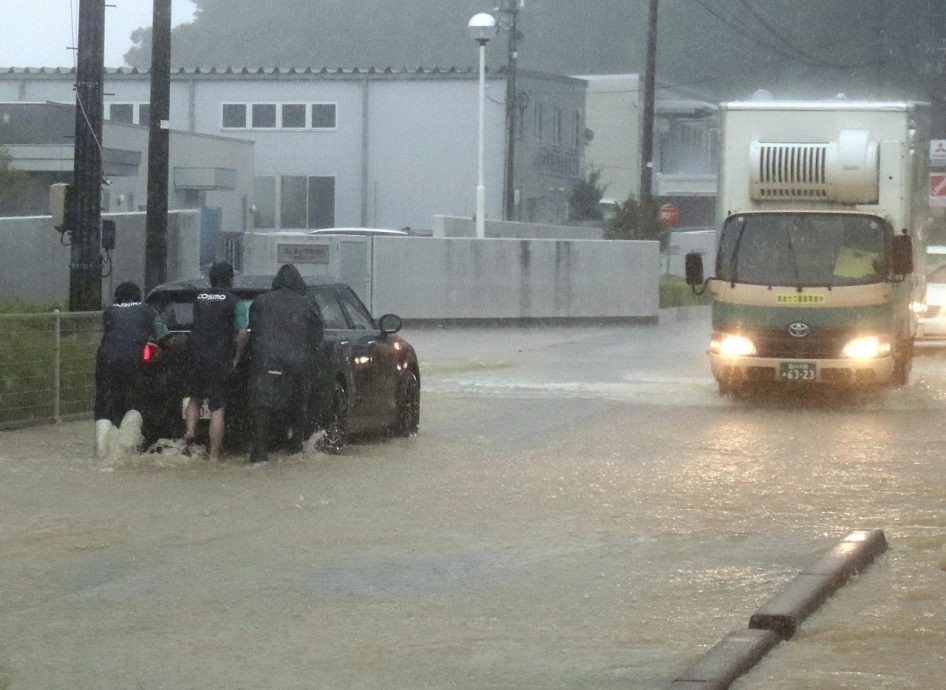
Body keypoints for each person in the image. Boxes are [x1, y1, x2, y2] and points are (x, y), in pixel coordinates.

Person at [247, 264, 323, 463]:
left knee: (262, 408)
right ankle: (295, 448)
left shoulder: (260, 302)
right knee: (297, 407)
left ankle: (260, 452)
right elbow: (317, 335)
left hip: (265, 363)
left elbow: (252, 332)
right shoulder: (307, 304)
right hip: (297, 364)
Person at [181, 262, 249, 461]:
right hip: (219, 358)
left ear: (210, 278)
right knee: (218, 408)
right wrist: (237, 356)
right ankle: (213, 455)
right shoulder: (235, 301)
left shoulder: (199, 298)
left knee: (194, 397)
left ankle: (191, 431)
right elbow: (243, 332)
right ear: (231, 279)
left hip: (195, 355)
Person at [94, 281, 169, 459]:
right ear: (139, 296)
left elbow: (116, 334)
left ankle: (101, 452)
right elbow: (165, 337)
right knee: (136, 402)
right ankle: (124, 451)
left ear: (117, 297)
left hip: (105, 360)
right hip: (134, 360)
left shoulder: (109, 312)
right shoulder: (147, 311)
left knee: (105, 406)